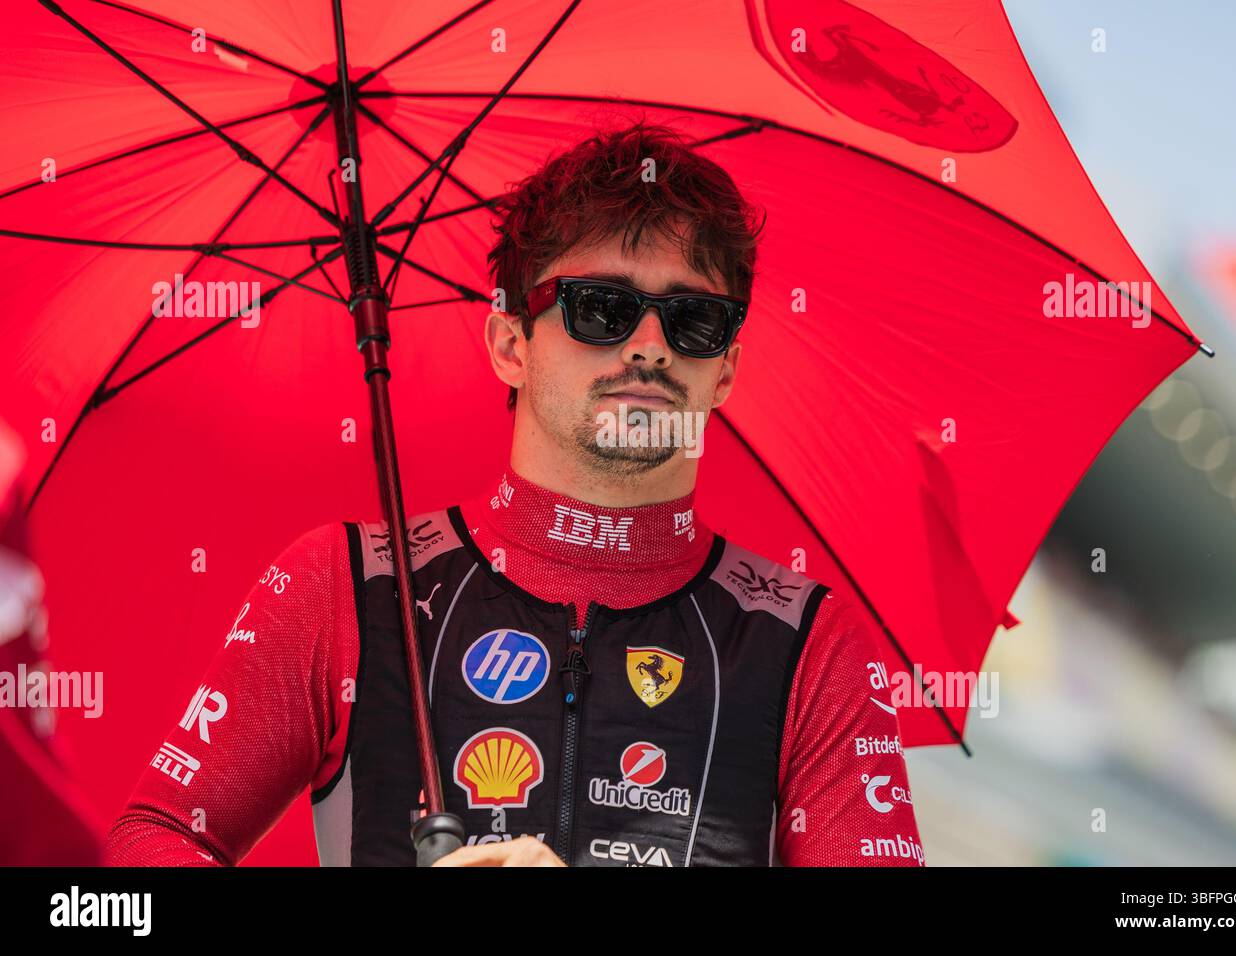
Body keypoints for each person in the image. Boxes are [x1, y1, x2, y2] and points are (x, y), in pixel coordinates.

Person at [105, 120, 925, 868]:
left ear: (727, 371)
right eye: (600, 307)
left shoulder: (809, 643)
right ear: (509, 343)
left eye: (693, 320)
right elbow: (146, 847)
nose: (648, 347)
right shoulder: (347, 586)